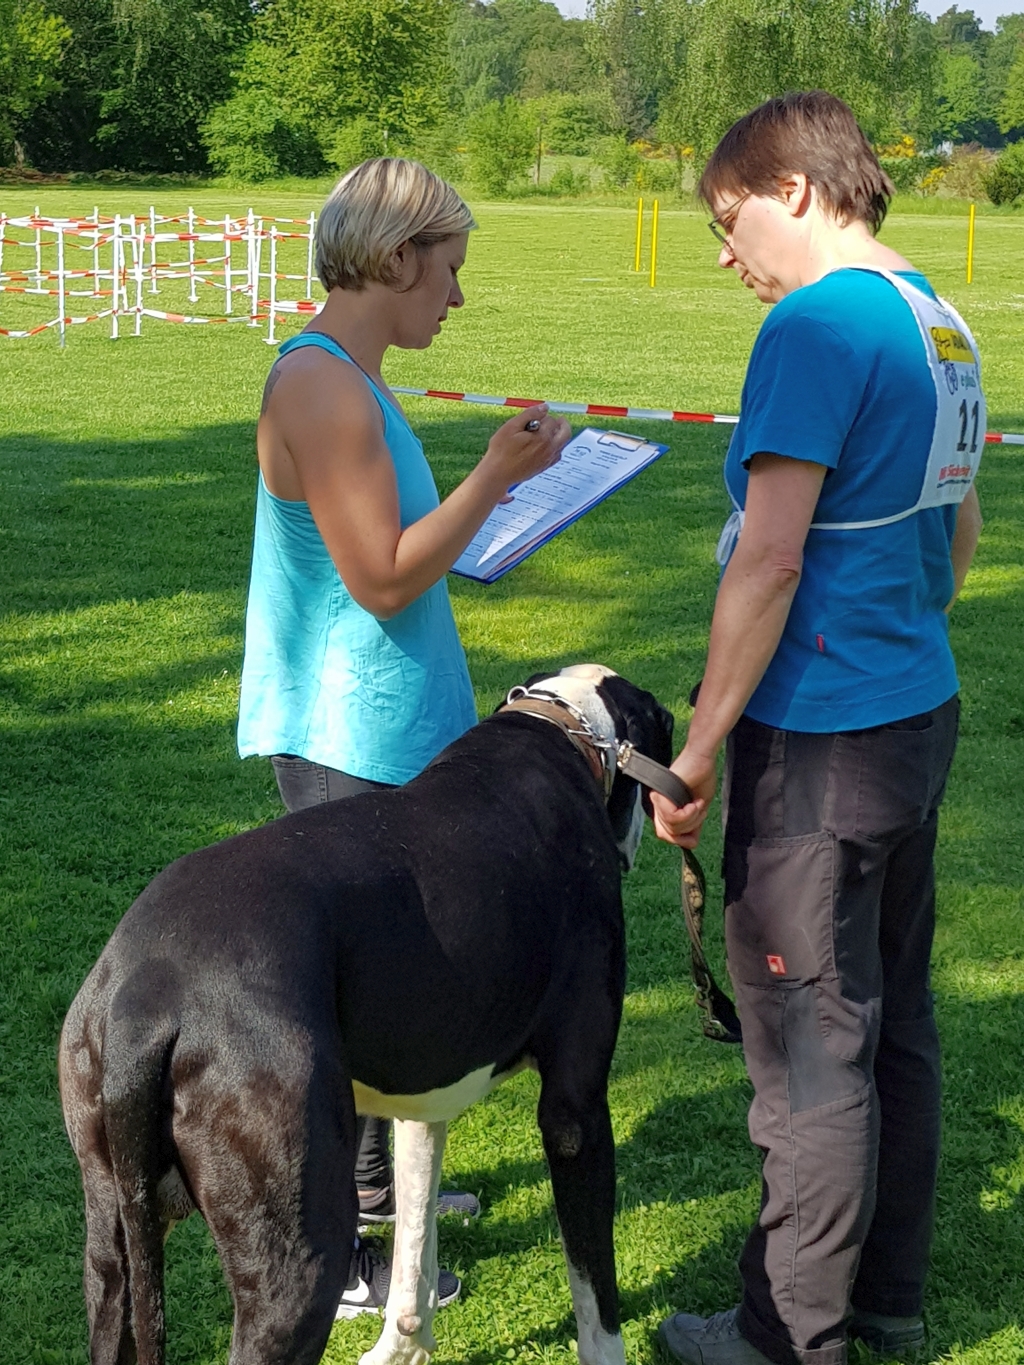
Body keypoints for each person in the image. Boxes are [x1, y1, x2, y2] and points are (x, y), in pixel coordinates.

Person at [651, 92, 984, 1365]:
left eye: (729, 219)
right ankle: (885, 1297)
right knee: (891, 1018)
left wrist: (695, 749)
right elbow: (957, 532)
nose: (725, 255)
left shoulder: (814, 323)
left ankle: (786, 1335)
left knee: (808, 1046)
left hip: (823, 739)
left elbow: (770, 559)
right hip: (912, 708)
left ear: (793, 190)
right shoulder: (936, 316)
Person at [237, 157, 571, 1317]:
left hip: (389, 725)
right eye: (449, 271)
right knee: (358, 996)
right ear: (393, 259)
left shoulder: (354, 381)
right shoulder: (321, 386)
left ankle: (382, 1194)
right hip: (347, 733)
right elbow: (379, 578)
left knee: (393, 973)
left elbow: (397, 549)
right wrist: (495, 476)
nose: (457, 298)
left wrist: (495, 501)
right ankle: (345, 1252)